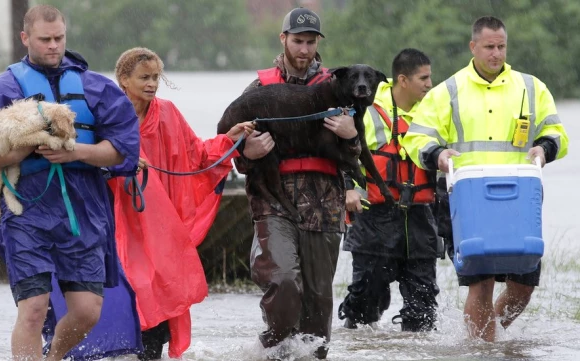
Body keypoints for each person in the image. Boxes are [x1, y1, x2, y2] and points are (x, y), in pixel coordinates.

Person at [0, 5, 141, 360]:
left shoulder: (94, 87)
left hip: (83, 211)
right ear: (26, 39)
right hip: (25, 210)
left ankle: (53, 358)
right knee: (34, 307)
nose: (54, 46)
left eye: (59, 38)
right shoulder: (1, 91)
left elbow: (122, 151)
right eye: (45, 40)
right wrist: (11, 156)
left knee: (87, 311)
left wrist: (76, 153)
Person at [401, 16, 568, 342]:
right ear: (473, 46)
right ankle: (486, 348)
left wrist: (545, 147)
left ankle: (483, 339)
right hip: (465, 198)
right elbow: (416, 138)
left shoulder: (532, 87)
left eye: (501, 46)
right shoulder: (448, 91)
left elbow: (557, 134)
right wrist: (437, 154)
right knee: (482, 282)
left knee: (523, 286)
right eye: (489, 46)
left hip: (518, 196)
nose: (496, 53)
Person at [109, 47, 254, 360]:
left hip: (161, 223)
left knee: (160, 289)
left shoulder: (169, 113)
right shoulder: (107, 116)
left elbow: (196, 155)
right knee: (133, 285)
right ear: (124, 79)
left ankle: (149, 351)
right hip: (121, 219)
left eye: (156, 77)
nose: (151, 83)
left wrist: (228, 139)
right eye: (143, 77)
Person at [233, 7, 361, 360]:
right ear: (283, 39)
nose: (304, 50)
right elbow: (233, 151)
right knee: (285, 280)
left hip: (325, 204)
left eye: (310, 42)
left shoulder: (339, 87)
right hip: (273, 200)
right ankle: (270, 345)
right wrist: (249, 150)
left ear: (318, 43)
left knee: (319, 299)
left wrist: (351, 137)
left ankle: (313, 354)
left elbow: (356, 152)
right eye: (297, 41)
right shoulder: (259, 88)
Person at [338, 48, 440, 332]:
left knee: (422, 308)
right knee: (364, 306)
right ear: (403, 80)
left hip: (420, 221)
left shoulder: (435, 112)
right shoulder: (366, 110)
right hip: (374, 222)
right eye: (424, 78)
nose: (430, 84)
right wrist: (348, 189)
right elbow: (341, 156)